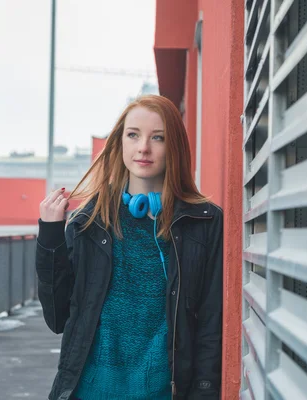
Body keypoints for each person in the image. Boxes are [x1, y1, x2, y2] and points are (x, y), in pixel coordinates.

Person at [36, 95, 223, 400]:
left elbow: (211, 323)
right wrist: (50, 236)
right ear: (120, 142)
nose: (143, 148)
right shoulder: (90, 222)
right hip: (89, 392)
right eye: (133, 135)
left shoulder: (204, 222)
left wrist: (205, 392)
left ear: (173, 145)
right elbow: (57, 318)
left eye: (157, 137)